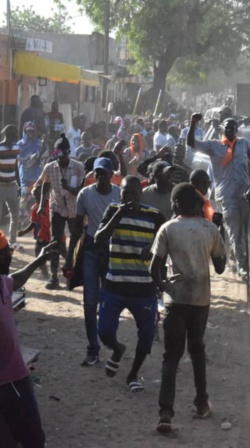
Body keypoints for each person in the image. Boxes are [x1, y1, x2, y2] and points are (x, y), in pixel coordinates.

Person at [150, 183, 226, 435]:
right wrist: (219, 229)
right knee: (197, 351)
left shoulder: (167, 229)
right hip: (199, 300)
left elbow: (154, 268)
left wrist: (163, 287)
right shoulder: (210, 229)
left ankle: (165, 414)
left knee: (171, 357)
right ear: (197, 205)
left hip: (175, 300)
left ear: (174, 206)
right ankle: (202, 404)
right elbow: (221, 267)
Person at [188, 113, 250, 277]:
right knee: (234, 228)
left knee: (246, 228)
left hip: (244, 193)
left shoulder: (243, 144)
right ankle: (242, 265)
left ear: (237, 130)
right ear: (223, 130)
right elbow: (191, 143)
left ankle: (246, 259)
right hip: (226, 194)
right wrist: (193, 123)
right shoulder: (214, 146)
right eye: (227, 128)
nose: (230, 131)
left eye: (233, 128)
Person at [95, 176, 165, 392]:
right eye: (126, 194)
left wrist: (153, 250)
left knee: (145, 337)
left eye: (134, 194)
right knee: (104, 331)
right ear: (121, 194)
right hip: (114, 285)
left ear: (141, 195)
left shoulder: (154, 216)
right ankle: (117, 349)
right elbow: (98, 239)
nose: (129, 199)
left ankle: (133, 374)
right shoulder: (113, 210)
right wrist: (118, 214)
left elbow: (166, 245)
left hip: (144, 289)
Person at [0, 232, 58, 448]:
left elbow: (16, 279)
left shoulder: (2, 283)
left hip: (12, 381)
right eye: (6, 252)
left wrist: (38, 260)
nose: (9, 256)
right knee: (33, 440)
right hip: (11, 382)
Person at [65, 157, 121, 366]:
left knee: (109, 301)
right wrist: (69, 258)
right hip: (90, 249)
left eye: (104, 173)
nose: (100, 177)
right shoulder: (85, 195)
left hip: (111, 251)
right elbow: (77, 229)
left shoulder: (118, 193)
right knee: (90, 302)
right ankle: (93, 348)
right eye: (97, 173)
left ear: (111, 174)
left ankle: (110, 343)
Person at [36, 134, 85, 289]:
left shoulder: (78, 167)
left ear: (68, 152)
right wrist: (41, 204)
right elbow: (45, 184)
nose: (60, 160)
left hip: (73, 209)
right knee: (55, 242)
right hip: (56, 207)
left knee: (75, 244)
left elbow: (80, 191)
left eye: (62, 156)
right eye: (57, 156)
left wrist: (68, 187)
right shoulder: (50, 167)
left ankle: (73, 276)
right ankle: (54, 277)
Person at [18, 184, 54, 278]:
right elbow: (33, 223)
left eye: (39, 195)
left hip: (54, 233)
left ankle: (67, 272)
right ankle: (45, 273)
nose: (37, 197)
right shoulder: (35, 208)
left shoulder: (52, 205)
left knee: (59, 254)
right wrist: (24, 232)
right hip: (42, 234)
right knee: (38, 253)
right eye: (36, 195)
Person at [17, 122, 46, 219]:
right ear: (24, 132)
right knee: (24, 196)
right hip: (25, 175)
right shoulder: (20, 144)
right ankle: (23, 218)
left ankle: (35, 218)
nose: (30, 134)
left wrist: (40, 155)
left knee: (36, 196)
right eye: (28, 131)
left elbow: (45, 157)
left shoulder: (40, 143)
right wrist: (29, 160)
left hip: (36, 174)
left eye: (32, 132)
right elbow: (19, 159)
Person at [0, 125, 21, 245]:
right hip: (0, 186)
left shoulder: (16, 148)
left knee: (15, 215)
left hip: (12, 186)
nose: (16, 135)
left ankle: (12, 241)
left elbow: (16, 167)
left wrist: (19, 185)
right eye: (14, 133)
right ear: (8, 134)